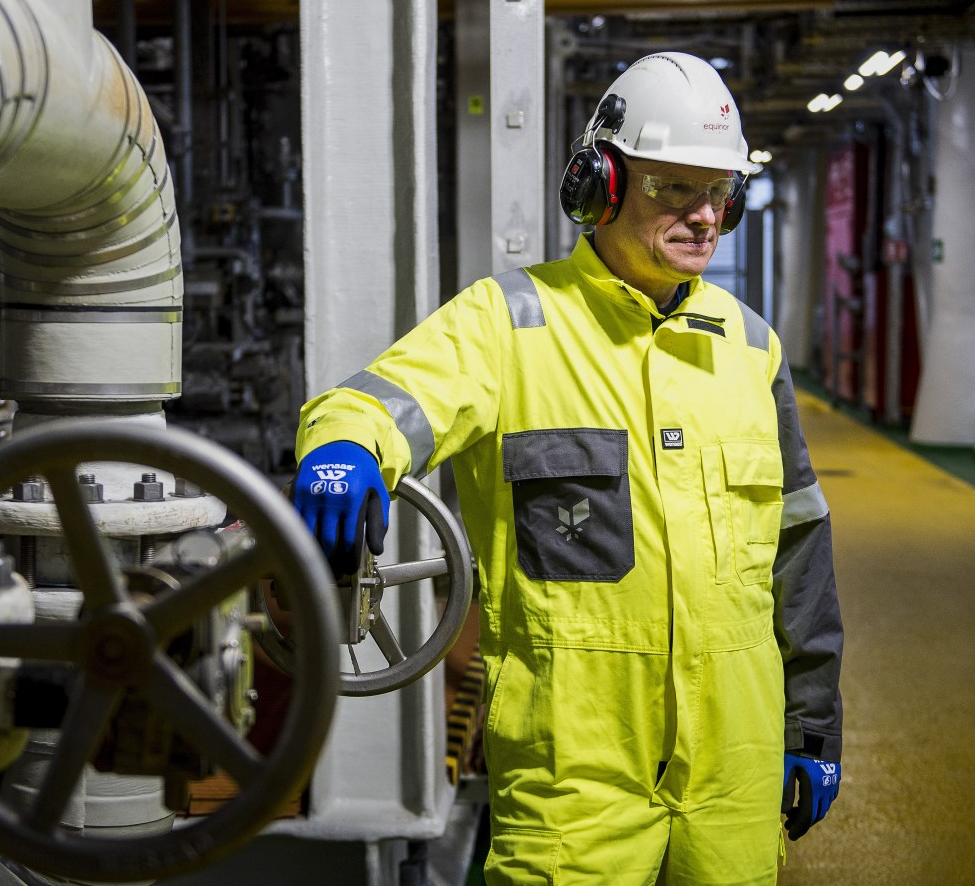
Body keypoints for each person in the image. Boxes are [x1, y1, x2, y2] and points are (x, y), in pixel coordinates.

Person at [291, 52, 842, 886]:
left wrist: (813, 727)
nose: (703, 216)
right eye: (673, 188)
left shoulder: (752, 347)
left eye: (719, 194)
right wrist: (341, 451)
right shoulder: (507, 327)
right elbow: (378, 403)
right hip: (574, 781)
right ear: (601, 184)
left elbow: (799, 549)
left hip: (736, 766)